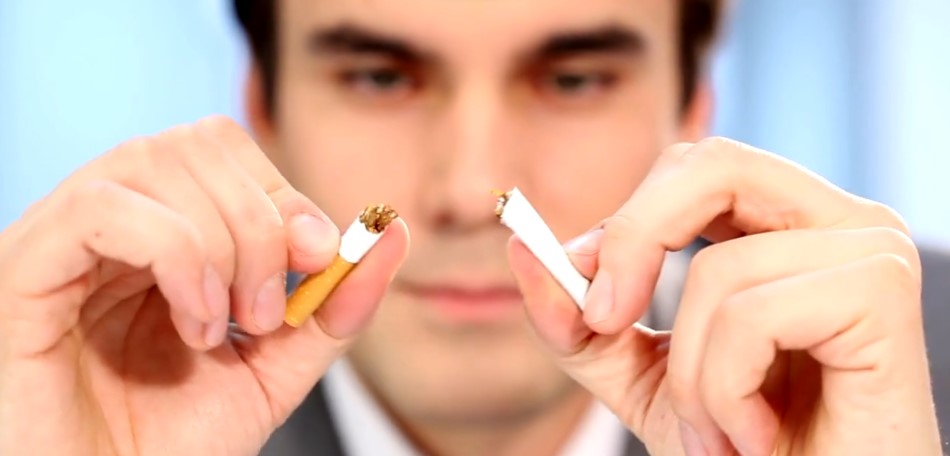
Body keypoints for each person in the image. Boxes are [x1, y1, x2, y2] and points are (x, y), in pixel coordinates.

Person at [0, 0, 946, 454]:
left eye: (574, 79)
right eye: (381, 77)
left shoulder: (899, 376)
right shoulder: (86, 385)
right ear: (264, 109)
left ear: (694, 110)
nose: (467, 191)